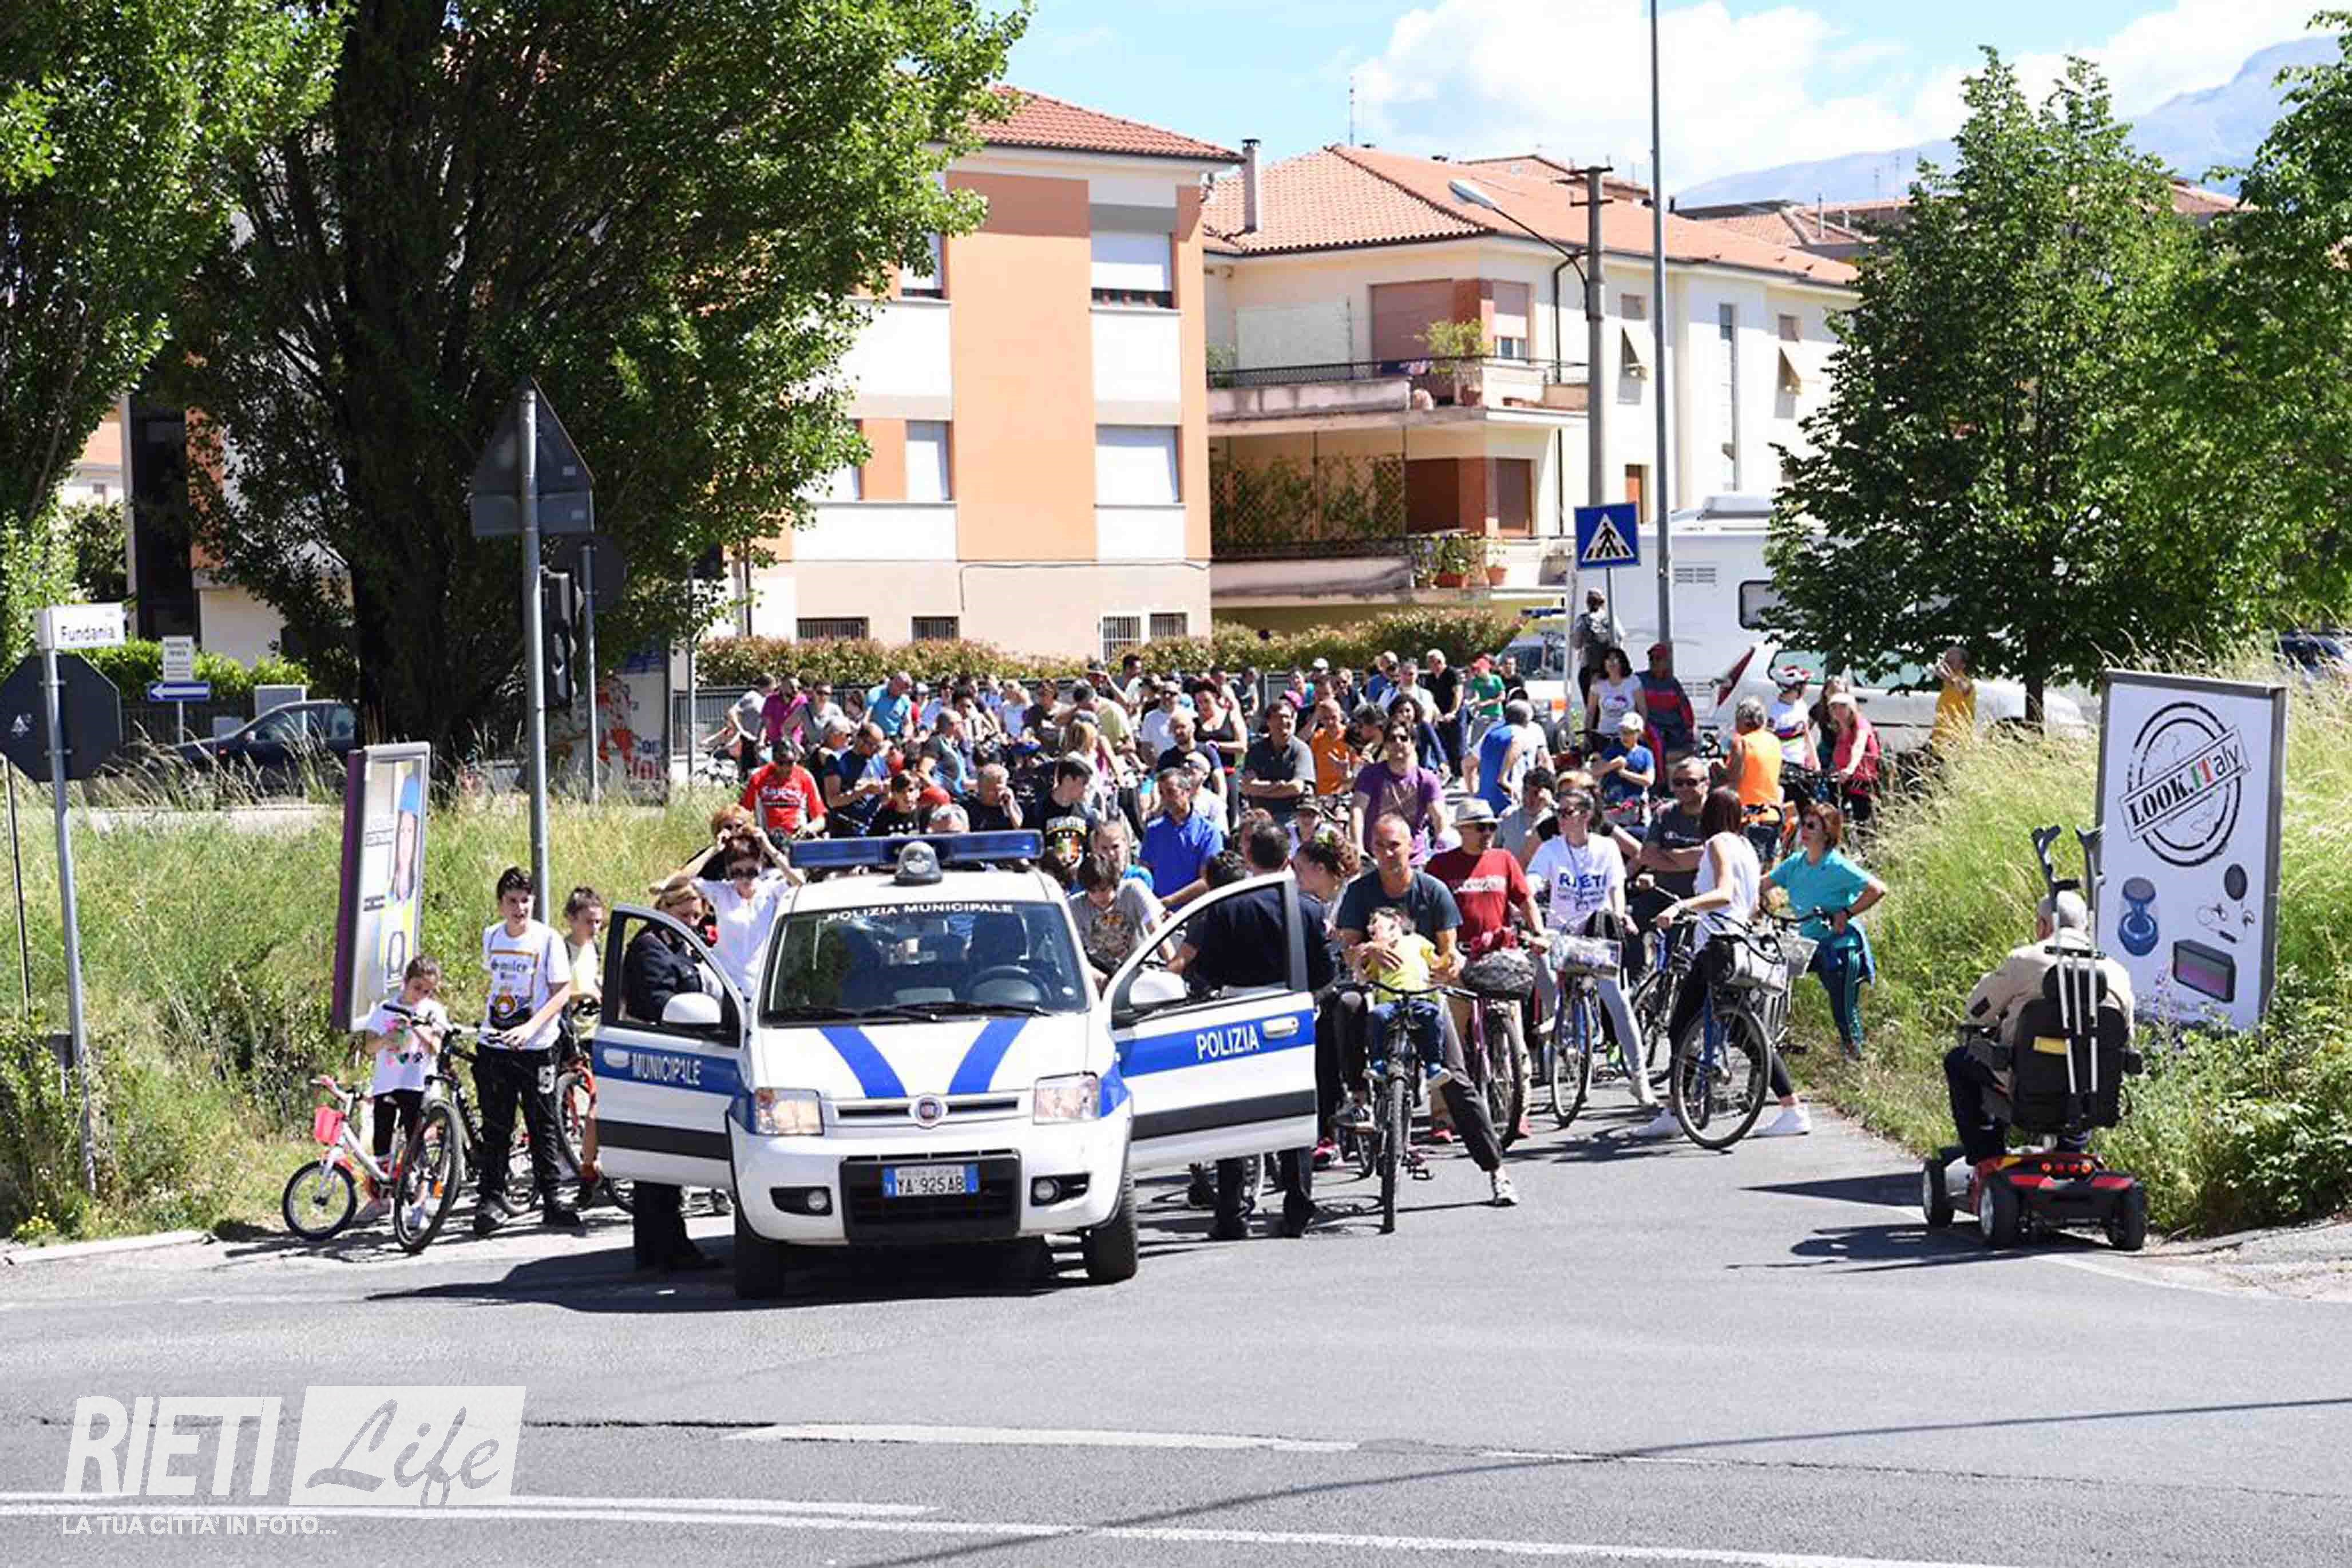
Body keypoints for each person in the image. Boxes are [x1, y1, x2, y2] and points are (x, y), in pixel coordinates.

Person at [1336, 815, 1518, 1206]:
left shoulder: (1432, 890)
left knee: (1456, 1079)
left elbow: (1448, 951)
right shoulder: (1359, 892)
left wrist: (1446, 966)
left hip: (1424, 995)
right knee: (1347, 1005)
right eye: (1380, 846)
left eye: (1395, 846)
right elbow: (1348, 950)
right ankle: (1358, 1096)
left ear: (1411, 847)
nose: (1388, 854)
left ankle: (1496, 1170)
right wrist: (1368, 950)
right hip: (1380, 993)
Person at [1166, 821, 1330, 1237]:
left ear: (1249, 857)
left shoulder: (1226, 907)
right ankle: (1298, 1207)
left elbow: (1208, 969)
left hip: (1236, 1015)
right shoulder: (1308, 908)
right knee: (1295, 1113)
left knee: (1233, 1117)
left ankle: (1231, 1214)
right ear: (1287, 858)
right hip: (1291, 1014)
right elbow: (1324, 972)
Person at [1649, 787, 1808, 1138]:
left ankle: (1676, 1111)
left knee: (1681, 1026)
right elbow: (1749, 904)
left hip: (1716, 946)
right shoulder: (1746, 847)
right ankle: (1791, 1106)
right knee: (1742, 1029)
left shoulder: (1717, 843)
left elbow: (1723, 893)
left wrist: (1681, 907)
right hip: (1739, 945)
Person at [1949, 890, 2134, 1176]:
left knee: (1958, 1061)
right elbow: (2126, 1039)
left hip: (2023, 1078)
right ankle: (2071, 1153)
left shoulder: (2025, 960)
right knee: (2082, 1070)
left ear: (2044, 925)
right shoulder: (2117, 973)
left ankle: (1986, 1156)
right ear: (2085, 927)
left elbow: (1976, 1012)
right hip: (2091, 1087)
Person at [1529, 787, 1660, 1116]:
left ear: (1586, 816)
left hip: (1597, 933)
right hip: (1561, 930)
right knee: (1541, 960)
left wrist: (1620, 914)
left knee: (1618, 1002)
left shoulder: (1607, 848)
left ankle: (1640, 1077)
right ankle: (1557, 1020)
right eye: (1558, 812)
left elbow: (1616, 888)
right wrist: (1528, 893)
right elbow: (1534, 878)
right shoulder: (1550, 849)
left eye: (1568, 812)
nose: (1561, 818)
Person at [621, 874, 722, 1272]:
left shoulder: (676, 944)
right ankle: (660, 1249)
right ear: (664, 909)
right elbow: (657, 1002)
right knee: (657, 1165)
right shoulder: (650, 948)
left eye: (697, 917)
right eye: (685, 916)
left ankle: (667, 1245)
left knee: (669, 1166)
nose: (692, 923)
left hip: (677, 1057)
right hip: (656, 1057)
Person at [474, 867, 581, 1232]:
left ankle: (552, 1199)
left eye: (525, 901)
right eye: (512, 901)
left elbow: (561, 992)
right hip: (496, 1043)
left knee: (542, 1123)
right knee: (496, 1125)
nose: (519, 908)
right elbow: (492, 983)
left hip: (536, 1046)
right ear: (501, 904)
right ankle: (491, 1198)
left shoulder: (547, 940)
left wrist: (531, 1027)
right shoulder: (492, 935)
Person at [1427, 798, 1541, 1137]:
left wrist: (1538, 933)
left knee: (1513, 1038)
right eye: (1481, 827)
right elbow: (1427, 911)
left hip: (1499, 959)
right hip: (1457, 960)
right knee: (1451, 1042)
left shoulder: (1504, 860)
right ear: (1462, 830)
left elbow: (1526, 900)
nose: (1488, 833)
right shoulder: (1441, 866)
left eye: (1491, 827)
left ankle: (1519, 1110)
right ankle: (1443, 1116)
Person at [1765, 801, 1886, 1058]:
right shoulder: (1795, 863)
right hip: (1808, 943)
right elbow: (1761, 884)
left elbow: (1877, 889)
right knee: (1773, 979)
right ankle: (1773, 1043)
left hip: (1840, 946)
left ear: (1827, 832)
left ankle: (1856, 1059)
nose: (1804, 831)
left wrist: (1847, 913)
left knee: (1843, 1009)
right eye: (1803, 825)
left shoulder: (1837, 865)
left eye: (1812, 826)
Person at [354, 956, 448, 1226]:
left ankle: (419, 1203)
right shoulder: (386, 1008)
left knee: (417, 1142)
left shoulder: (433, 1011)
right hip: (387, 1082)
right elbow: (369, 1047)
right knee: (382, 1141)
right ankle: (381, 1199)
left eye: (428, 991)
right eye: (417, 988)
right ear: (406, 982)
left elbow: (436, 1048)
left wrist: (419, 1029)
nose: (421, 995)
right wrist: (387, 1038)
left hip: (417, 1083)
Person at [690, 833, 793, 998]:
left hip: (761, 986)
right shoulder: (721, 892)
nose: (745, 879)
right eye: (737, 873)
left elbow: (800, 882)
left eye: (752, 872)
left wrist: (769, 848)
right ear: (728, 871)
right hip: (724, 984)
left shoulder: (771, 891)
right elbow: (681, 881)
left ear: (761, 866)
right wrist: (713, 850)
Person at [1351, 718, 1448, 864]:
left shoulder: (1427, 779)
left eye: (1404, 738)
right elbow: (1357, 811)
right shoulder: (1370, 775)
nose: (1398, 743)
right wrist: (1358, 848)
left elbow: (1439, 817)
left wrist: (1442, 850)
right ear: (1385, 745)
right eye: (1392, 739)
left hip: (1414, 860)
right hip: (1376, 859)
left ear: (1413, 743)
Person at [1069, 851, 1164, 981]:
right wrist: (1095, 976)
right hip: (1104, 973)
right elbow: (1071, 953)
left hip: (1142, 967)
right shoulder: (1076, 906)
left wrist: (1174, 968)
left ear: (1113, 882)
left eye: (1103, 889)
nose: (1099, 897)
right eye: (1092, 891)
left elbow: (1157, 932)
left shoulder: (1134, 890)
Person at [1141, 766, 1224, 908]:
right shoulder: (1154, 830)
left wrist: (1169, 901)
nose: (1166, 799)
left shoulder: (1209, 832)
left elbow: (1208, 880)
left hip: (1193, 912)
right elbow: (1145, 872)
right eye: (1162, 793)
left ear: (1187, 792)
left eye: (1171, 792)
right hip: (1157, 911)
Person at [1721, 695, 1785, 866]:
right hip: (1772, 814)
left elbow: (1734, 781)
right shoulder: (1774, 741)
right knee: (1766, 868)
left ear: (1743, 720)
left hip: (1747, 817)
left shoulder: (1742, 743)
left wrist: (1719, 771)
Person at [1240, 699, 1313, 829]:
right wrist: (1279, 785)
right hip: (1261, 815)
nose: (1284, 721)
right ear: (1268, 722)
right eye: (1279, 717)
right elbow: (1247, 788)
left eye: (1288, 717)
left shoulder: (1301, 750)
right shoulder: (1256, 750)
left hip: (1292, 816)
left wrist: (1261, 789)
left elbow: (1296, 788)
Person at [1471, 698, 1546, 818]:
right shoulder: (1521, 733)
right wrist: (1504, 777)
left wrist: (1474, 792)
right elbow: (1517, 743)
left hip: (1486, 801)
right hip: (1509, 800)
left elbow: (1468, 763)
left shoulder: (1491, 735)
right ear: (1527, 720)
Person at [741, 746, 825, 841]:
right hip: (767, 840)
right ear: (773, 761)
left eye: (790, 763)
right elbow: (743, 814)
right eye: (780, 763)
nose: (785, 768)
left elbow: (820, 820)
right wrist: (755, 832)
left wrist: (808, 829)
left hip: (797, 838)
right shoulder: (758, 777)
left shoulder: (805, 777)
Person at [823, 722, 893, 836]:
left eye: (879, 747)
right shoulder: (837, 760)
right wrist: (863, 791)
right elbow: (832, 801)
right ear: (860, 740)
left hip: (872, 827)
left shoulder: (878, 761)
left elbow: (886, 794)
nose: (876, 751)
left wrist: (886, 790)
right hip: (845, 828)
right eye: (872, 746)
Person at [1825, 691, 1883, 825]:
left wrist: (1850, 769)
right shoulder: (1840, 730)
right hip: (1845, 784)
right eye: (1834, 707)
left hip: (1863, 784)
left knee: (1862, 824)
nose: (1838, 711)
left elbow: (1859, 746)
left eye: (1843, 706)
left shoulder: (1861, 725)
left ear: (1852, 709)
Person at [1571, 589, 1627, 718]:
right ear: (1603, 603)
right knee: (1611, 707)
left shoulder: (1583, 620)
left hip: (1589, 670)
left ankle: (1593, 729)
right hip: (1610, 672)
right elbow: (1620, 641)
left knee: (1592, 710)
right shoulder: (1611, 619)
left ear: (1587, 603)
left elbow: (1576, 644)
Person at [1636, 643, 1696, 761]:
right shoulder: (1640, 680)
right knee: (1656, 741)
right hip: (1651, 727)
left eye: (1658, 659)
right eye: (1651, 659)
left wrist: (1689, 730)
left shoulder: (1673, 684)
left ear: (1666, 662)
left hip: (1673, 729)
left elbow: (1685, 708)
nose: (1654, 662)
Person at [1593, 709, 1656, 817]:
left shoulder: (1645, 753)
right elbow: (1594, 772)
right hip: (1612, 806)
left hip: (1636, 806)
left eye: (1630, 732)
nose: (1625, 736)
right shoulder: (1612, 750)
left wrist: (1625, 774)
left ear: (1639, 733)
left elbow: (1649, 781)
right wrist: (1614, 764)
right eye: (1622, 732)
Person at [1586, 646, 1642, 754]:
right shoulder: (1598, 684)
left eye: (1615, 659)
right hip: (1604, 736)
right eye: (1608, 659)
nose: (1612, 663)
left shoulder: (1633, 681)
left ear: (1622, 663)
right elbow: (1590, 712)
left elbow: (1642, 709)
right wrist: (1587, 737)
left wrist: (1639, 732)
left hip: (1627, 736)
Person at [1498, 766, 1554, 864]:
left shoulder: (1554, 820)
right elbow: (1494, 848)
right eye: (1526, 790)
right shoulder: (1508, 816)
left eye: (1535, 793)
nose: (1529, 798)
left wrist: (1552, 804)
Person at [1424, 649, 1464, 776]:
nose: (1436, 665)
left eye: (1439, 662)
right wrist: (1437, 715)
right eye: (1432, 662)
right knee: (1444, 745)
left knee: (1458, 745)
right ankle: (1450, 772)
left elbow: (1458, 694)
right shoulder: (1430, 678)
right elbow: (1430, 698)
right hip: (1440, 715)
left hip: (1455, 714)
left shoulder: (1452, 673)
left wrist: (1453, 712)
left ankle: (1460, 774)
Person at [1933, 645, 1977, 757]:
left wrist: (1949, 678)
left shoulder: (1967, 683)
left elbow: (1965, 689)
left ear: (1963, 665)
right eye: (1947, 658)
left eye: (1952, 660)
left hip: (1956, 740)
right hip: (1940, 741)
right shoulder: (1947, 686)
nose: (1947, 662)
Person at [1463, 654, 1507, 759]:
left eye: (1479, 669)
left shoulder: (1496, 679)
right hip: (1482, 715)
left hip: (1496, 714)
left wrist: (1487, 703)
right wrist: (1472, 703)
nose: (1477, 672)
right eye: (1475, 670)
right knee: (1476, 740)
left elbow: (1502, 697)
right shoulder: (1476, 682)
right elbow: (1475, 696)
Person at [866, 770, 933, 837]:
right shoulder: (883, 817)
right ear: (894, 794)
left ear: (918, 792)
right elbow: (871, 840)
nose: (907, 795)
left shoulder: (926, 815)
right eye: (901, 792)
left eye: (911, 790)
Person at [966, 763, 1022, 831]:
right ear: (980, 788)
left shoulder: (1009, 804)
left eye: (1000, 789)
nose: (998, 794)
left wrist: (1010, 809)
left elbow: (1021, 831)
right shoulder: (968, 807)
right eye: (992, 791)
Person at [866, 671, 916, 741]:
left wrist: (907, 736)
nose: (903, 692)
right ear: (894, 682)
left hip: (894, 737)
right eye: (901, 688)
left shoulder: (905, 700)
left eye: (904, 689)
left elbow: (908, 723)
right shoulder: (875, 693)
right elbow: (866, 719)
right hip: (873, 736)